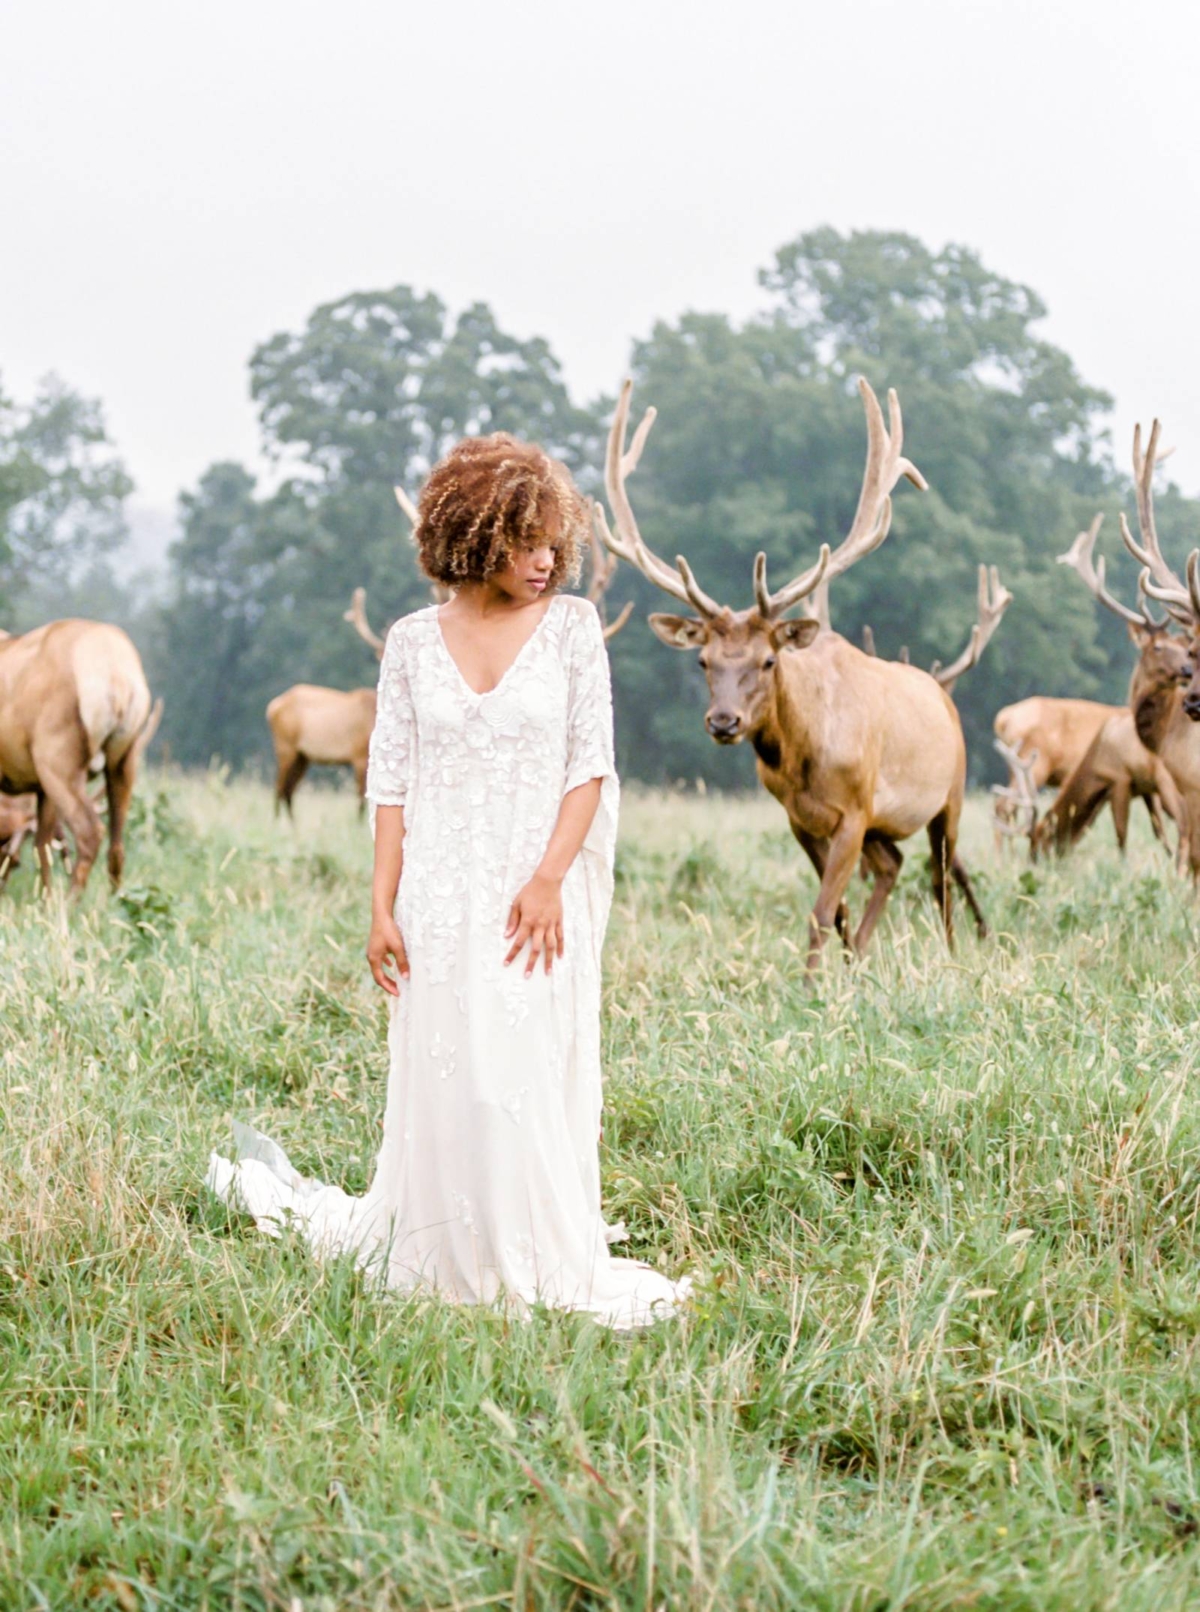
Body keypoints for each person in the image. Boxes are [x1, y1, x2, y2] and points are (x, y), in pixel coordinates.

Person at [208, 433, 690, 1329]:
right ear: (474, 536)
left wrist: (550, 880)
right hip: (436, 895)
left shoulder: (575, 632)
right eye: (525, 542)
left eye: (555, 542)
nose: (546, 560)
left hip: (533, 899)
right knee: (450, 1072)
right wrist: (381, 906)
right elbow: (389, 784)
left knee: (520, 1069)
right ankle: (440, 1248)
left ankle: (533, 1253)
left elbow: (591, 771)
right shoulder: (412, 645)